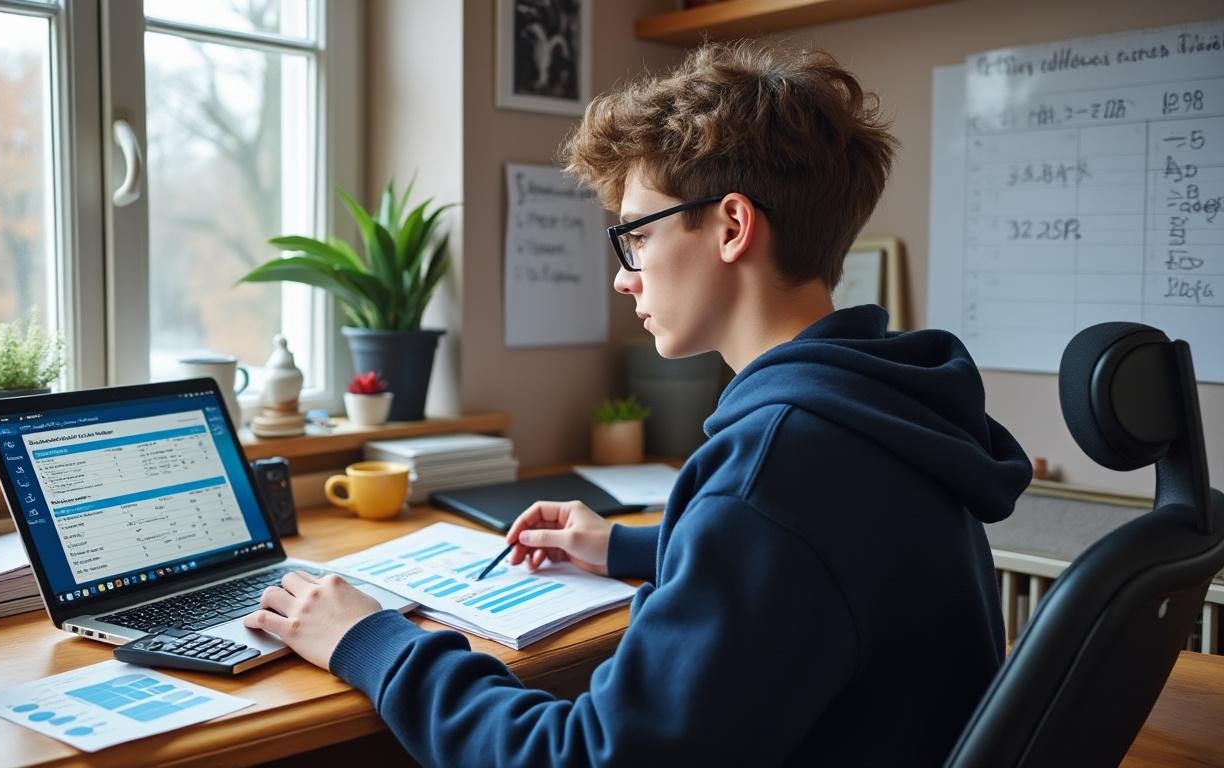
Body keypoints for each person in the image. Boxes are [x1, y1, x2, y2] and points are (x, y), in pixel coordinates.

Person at [244, 40, 1032, 766]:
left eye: (637, 236)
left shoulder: (775, 469)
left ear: (731, 227)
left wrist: (371, 640)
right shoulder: (880, 409)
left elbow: (588, 756)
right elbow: (824, 565)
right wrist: (625, 549)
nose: (624, 276)